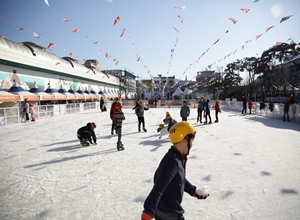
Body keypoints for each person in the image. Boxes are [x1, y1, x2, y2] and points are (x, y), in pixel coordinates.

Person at [142, 121, 209, 220]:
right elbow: (158, 188)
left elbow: (178, 178)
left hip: (164, 211)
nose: (192, 144)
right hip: (168, 215)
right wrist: (147, 214)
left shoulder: (176, 157)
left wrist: (193, 191)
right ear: (185, 140)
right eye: (192, 141)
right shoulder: (172, 162)